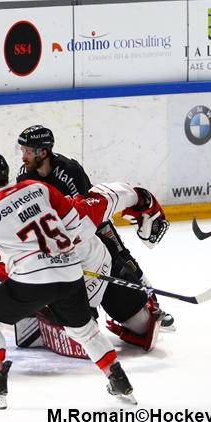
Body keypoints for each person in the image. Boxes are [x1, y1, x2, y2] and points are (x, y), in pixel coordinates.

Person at [0, 152, 167, 409]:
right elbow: (73, 223)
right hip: (71, 272)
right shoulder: (37, 188)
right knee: (85, 331)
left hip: (32, 280)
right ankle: (119, 380)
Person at [15, 125, 175, 330]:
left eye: (28, 151)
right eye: (23, 150)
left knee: (121, 257)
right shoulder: (24, 177)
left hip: (92, 224)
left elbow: (87, 207)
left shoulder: (69, 170)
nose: (23, 157)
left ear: (43, 152)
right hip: (57, 233)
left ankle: (153, 305)